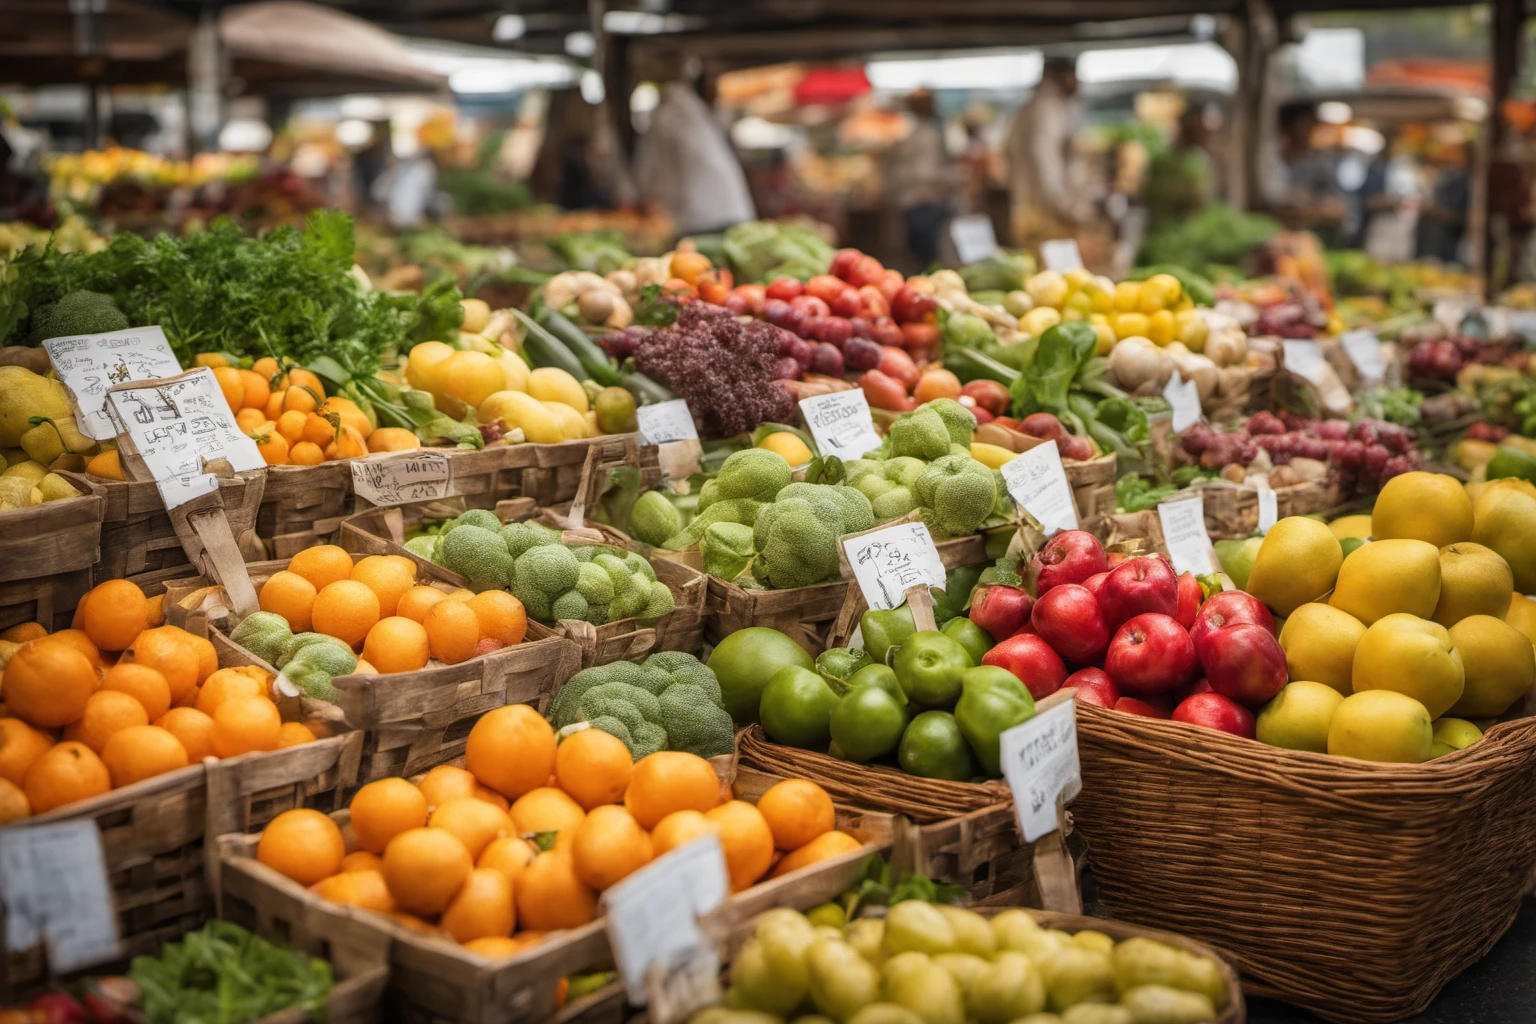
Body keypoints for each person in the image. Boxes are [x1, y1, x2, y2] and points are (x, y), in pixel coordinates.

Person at [634, 77, 756, 235]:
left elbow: (647, 171)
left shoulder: (678, 114)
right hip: (716, 214)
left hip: (700, 217)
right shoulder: (680, 114)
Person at [1004, 56, 1089, 247]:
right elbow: (1043, 159)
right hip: (1044, 211)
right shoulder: (1047, 109)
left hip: (1026, 204)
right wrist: (1062, 204)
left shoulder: (1031, 107)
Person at [882, 89, 955, 269]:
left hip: (931, 198)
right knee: (918, 249)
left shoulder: (937, 130)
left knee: (931, 251)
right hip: (913, 199)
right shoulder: (905, 130)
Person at [1143, 103, 1220, 235]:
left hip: (1189, 235)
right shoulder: (1162, 160)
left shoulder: (1200, 159)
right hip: (1166, 235)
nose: (1203, 134)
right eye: (1197, 128)